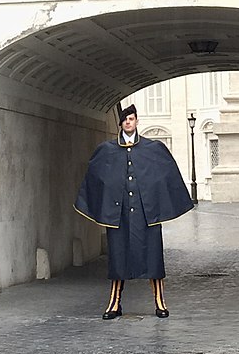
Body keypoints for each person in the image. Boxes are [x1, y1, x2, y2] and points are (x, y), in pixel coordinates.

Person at [74, 104, 194, 319]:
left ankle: (160, 302)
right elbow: (96, 176)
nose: (128, 122)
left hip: (147, 215)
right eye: (125, 119)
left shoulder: (153, 149)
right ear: (120, 123)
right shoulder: (107, 150)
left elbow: (166, 173)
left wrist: (158, 201)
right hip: (119, 217)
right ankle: (114, 303)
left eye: (132, 118)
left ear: (137, 121)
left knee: (153, 258)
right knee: (118, 259)